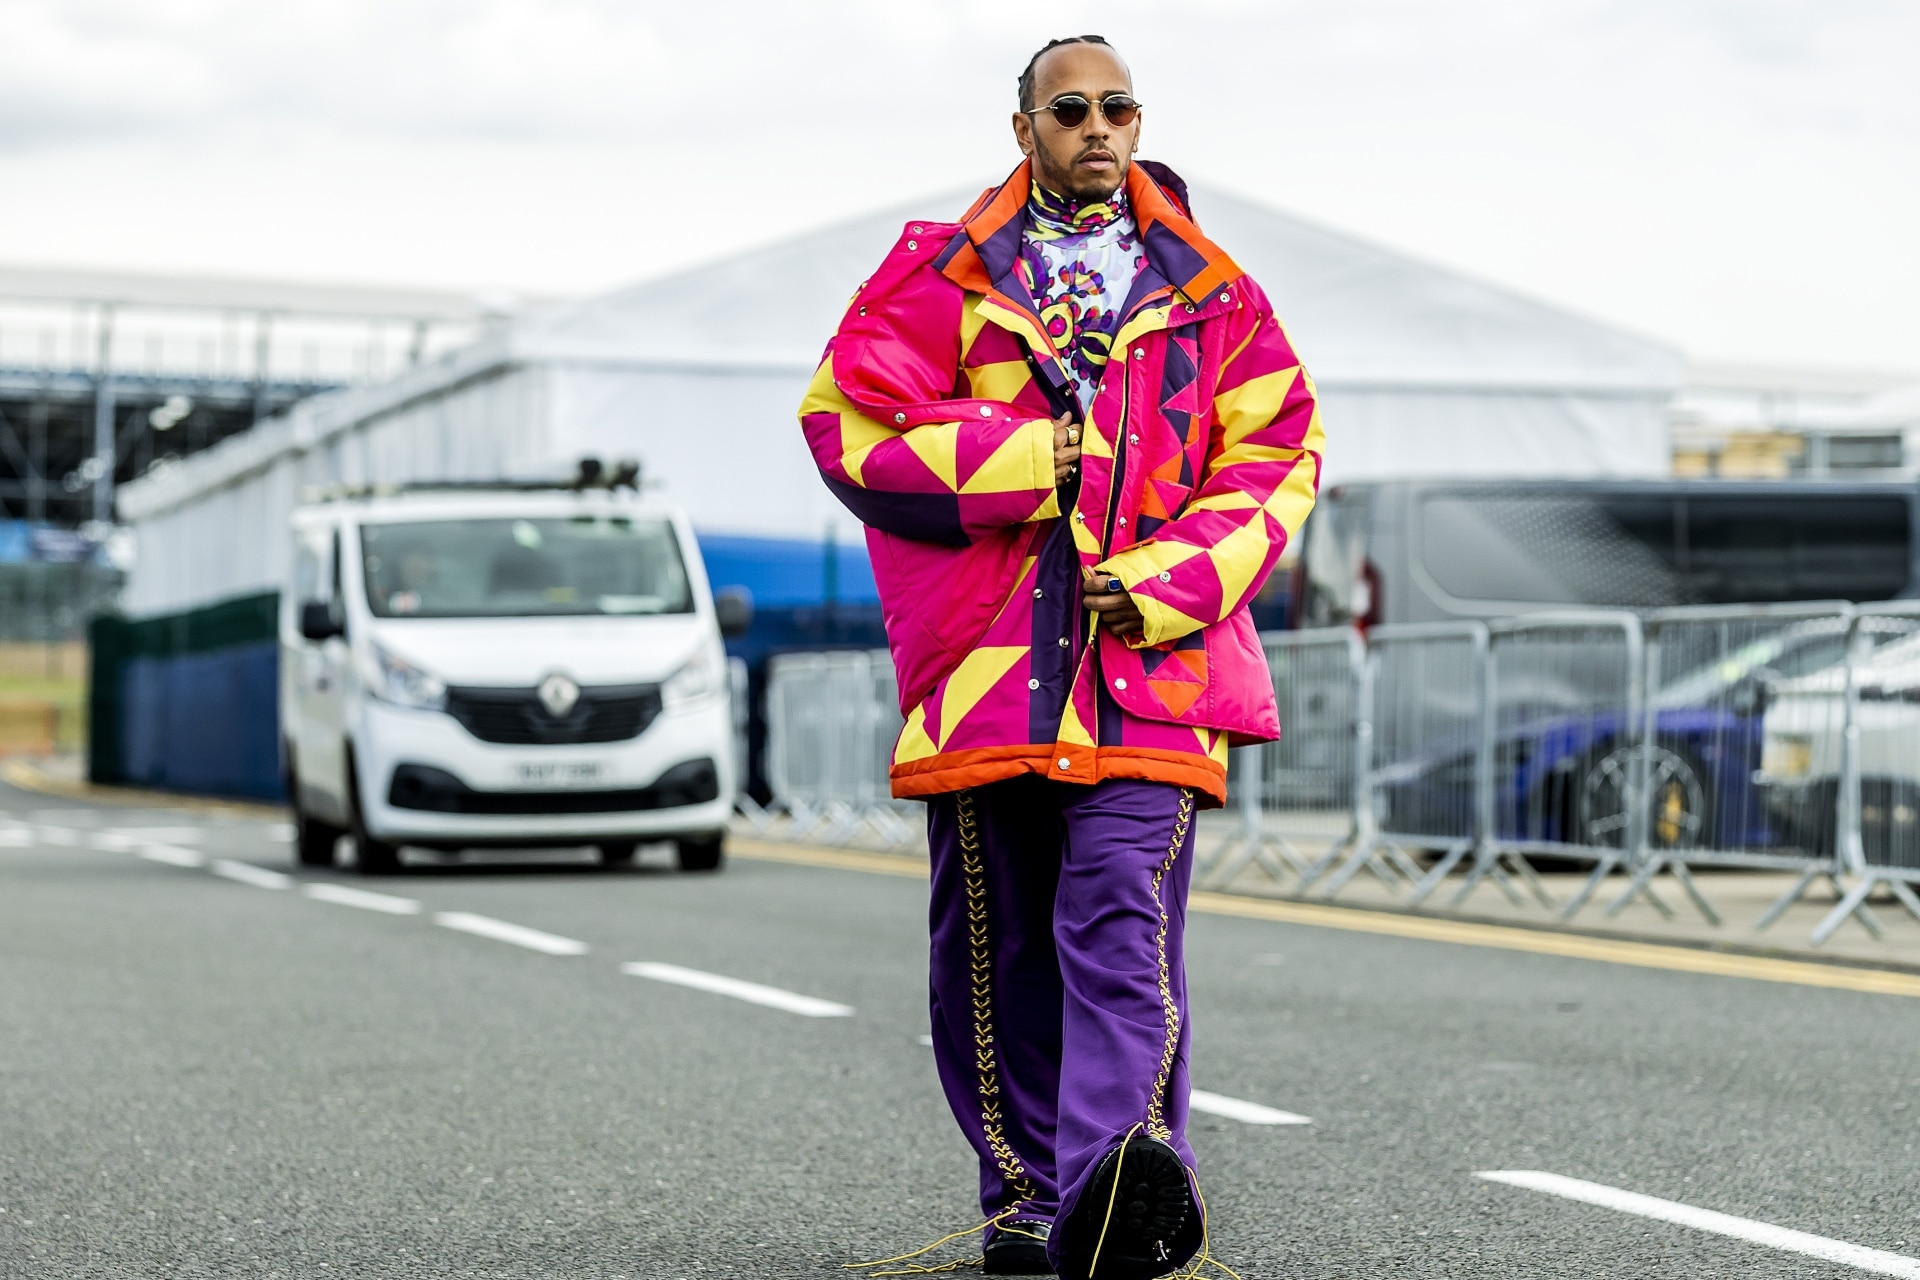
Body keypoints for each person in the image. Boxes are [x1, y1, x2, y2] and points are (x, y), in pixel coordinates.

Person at [800, 34, 1323, 1279]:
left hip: (1157, 680)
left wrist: (1161, 582)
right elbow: (848, 422)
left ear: (1141, 126)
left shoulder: (1213, 294)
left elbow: (1279, 457)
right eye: (1071, 107)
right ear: (1024, 123)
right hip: (988, 680)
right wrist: (1039, 460)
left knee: (1117, 920)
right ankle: (1029, 1196)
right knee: (997, 952)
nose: (1098, 125)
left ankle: (1116, 1190)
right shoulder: (940, 273)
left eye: (1119, 107)